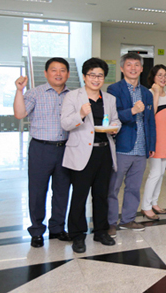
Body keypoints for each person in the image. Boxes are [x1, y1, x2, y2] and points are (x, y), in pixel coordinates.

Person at [60, 58, 121, 253]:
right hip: (81, 152)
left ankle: (101, 231)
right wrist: (80, 114)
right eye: (92, 75)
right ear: (85, 77)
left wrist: (115, 128)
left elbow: (116, 120)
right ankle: (77, 235)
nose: (96, 79)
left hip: (104, 151)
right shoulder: (73, 97)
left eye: (100, 75)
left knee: (101, 194)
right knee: (79, 195)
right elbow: (65, 124)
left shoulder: (109, 99)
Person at [13, 57, 72, 248]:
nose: (58, 74)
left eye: (62, 70)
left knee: (62, 191)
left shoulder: (72, 95)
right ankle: (37, 230)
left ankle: (57, 228)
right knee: (38, 191)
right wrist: (19, 91)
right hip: (41, 148)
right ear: (46, 73)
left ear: (68, 74)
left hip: (65, 148)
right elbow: (20, 114)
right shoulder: (35, 93)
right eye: (54, 70)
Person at [107, 53, 156, 236]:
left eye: (136, 65)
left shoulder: (146, 93)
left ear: (142, 69)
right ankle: (110, 222)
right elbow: (113, 116)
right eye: (129, 65)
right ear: (122, 68)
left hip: (141, 148)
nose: (133, 68)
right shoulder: (114, 89)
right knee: (113, 187)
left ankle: (127, 219)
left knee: (134, 187)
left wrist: (151, 144)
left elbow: (150, 120)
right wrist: (133, 111)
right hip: (122, 146)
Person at [141, 65, 166, 220]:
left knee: (161, 173)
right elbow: (150, 114)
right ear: (153, 77)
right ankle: (146, 206)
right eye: (159, 75)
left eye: (165, 75)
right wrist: (155, 93)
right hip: (155, 138)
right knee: (154, 173)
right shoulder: (148, 93)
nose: (163, 78)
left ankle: (154, 202)